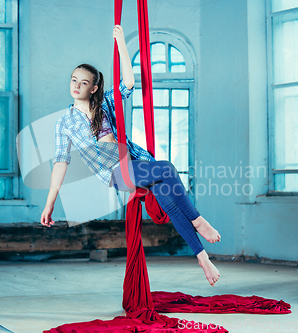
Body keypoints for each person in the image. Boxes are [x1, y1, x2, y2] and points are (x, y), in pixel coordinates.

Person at [41, 25, 221, 286]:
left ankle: (203, 258)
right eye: (73, 80)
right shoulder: (65, 123)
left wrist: (121, 44)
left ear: (93, 88)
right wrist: (50, 203)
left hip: (135, 160)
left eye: (84, 82)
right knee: (168, 168)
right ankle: (198, 219)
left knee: (167, 199)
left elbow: (128, 83)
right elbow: (60, 163)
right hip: (115, 171)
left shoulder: (105, 103)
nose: (77, 85)